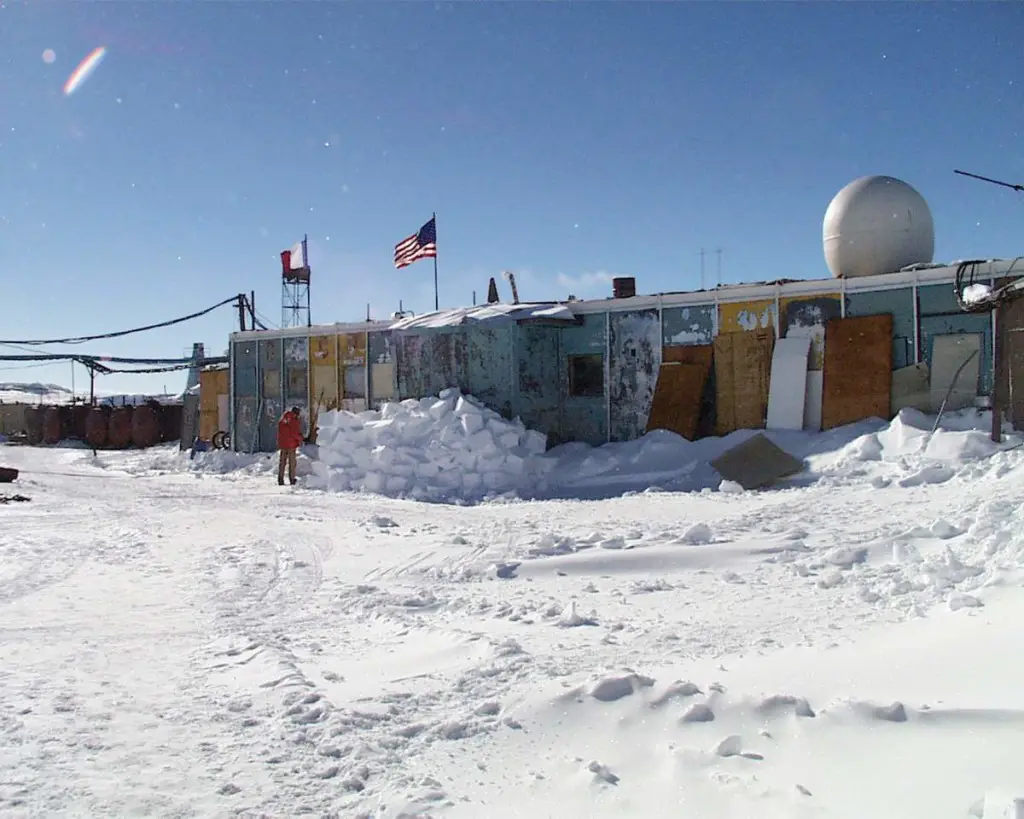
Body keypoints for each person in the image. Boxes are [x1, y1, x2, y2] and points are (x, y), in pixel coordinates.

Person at [277, 406, 303, 486]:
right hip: (291, 444)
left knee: (282, 462)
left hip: (282, 444)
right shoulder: (293, 420)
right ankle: (292, 479)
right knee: (292, 463)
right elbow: (294, 433)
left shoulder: (282, 419)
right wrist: (301, 438)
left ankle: (280, 479)